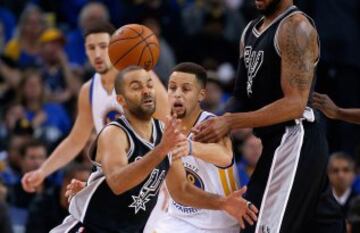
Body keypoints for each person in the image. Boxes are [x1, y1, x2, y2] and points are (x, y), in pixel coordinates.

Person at [192, 0, 345, 232]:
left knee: (256, 223)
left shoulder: (296, 27)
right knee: (321, 224)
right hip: (277, 142)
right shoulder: (250, 30)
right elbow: (240, 97)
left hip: (296, 138)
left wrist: (231, 122)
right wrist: (205, 122)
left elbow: (295, 104)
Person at [53, 66, 257, 233]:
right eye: (136, 87)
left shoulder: (165, 133)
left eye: (149, 85)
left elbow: (182, 190)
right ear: (121, 100)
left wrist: (223, 203)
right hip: (90, 228)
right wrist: (162, 150)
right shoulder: (114, 133)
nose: (146, 91)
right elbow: (117, 182)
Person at [21, 20, 169, 193]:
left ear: (115, 47)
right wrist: (42, 171)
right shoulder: (88, 90)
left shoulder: (142, 79)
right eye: (91, 48)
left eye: (103, 46)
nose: (97, 54)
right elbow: (76, 141)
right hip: (118, 180)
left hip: (154, 179)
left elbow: (169, 128)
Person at [152, 62, 240, 233]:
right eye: (172, 88)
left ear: (201, 95)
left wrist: (191, 147)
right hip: (176, 220)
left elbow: (225, 155)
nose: (177, 94)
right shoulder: (165, 127)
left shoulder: (211, 124)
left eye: (186, 89)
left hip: (219, 224)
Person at [328, 152, 358, 217]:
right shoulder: (320, 203)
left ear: (354, 174)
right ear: (328, 174)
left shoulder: (358, 202)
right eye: (335, 170)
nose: (340, 175)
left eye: (346, 170)